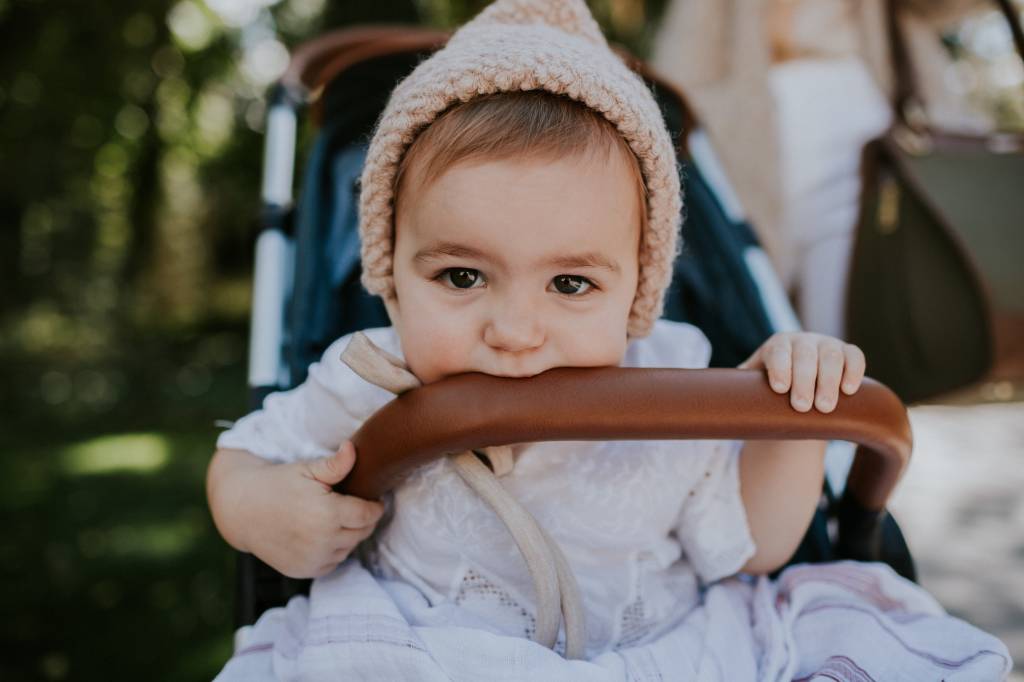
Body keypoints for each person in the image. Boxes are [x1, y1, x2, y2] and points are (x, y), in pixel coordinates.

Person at [206, 1, 1011, 679]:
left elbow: (757, 548)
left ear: (636, 293)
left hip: (668, 652)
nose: (516, 332)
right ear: (390, 270)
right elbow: (240, 458)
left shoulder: (676, 382)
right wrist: (259, 507)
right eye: (460, 277)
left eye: (570, 284)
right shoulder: (366, 378)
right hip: (432, 650)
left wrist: (790, 415)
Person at [652, 0, 992, 337]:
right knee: (752, 307)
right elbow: (687, 46)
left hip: (853, 122)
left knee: (843, 325)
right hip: (745, 128)